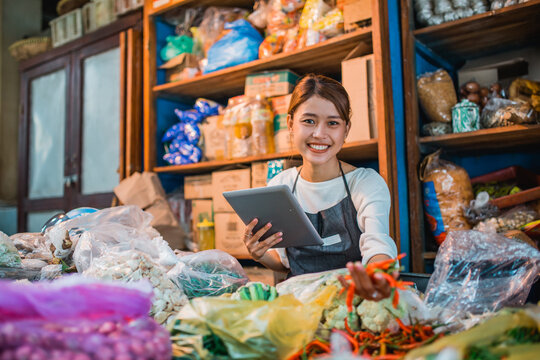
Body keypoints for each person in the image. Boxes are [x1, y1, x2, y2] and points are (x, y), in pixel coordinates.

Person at [242, 74, 398, 301]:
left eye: (332, 123)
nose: (319, 134)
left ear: (346, 130)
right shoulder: (280, 186)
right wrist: (259, 253)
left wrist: (379, 276)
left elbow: (378, 245)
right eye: (309, 121)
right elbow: (284, 263)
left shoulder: (365, 183)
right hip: (297, 305)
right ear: (290, 125)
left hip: (351, 301)